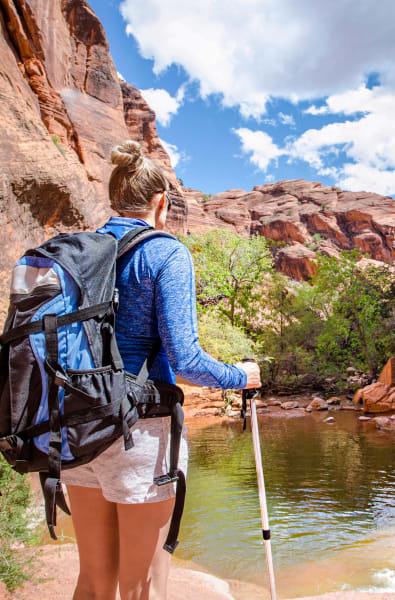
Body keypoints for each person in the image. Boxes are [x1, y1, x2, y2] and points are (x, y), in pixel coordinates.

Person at [61, 140, 261, 600]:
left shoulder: (80, 252)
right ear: (161, 202)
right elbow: (186, 359)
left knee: (92, 582)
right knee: (142, 584)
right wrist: (241, 376)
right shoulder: (166, 253)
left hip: (77, 427)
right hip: (141, 432)